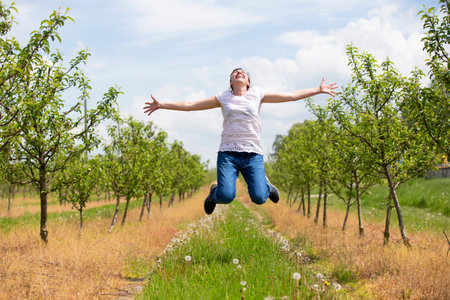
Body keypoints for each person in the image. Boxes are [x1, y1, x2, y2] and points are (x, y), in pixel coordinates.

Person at [143, 68, 337, 214]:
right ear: (231, 81)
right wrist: (162, 105)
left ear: (248, 82)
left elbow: (291, 96)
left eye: (243, 72)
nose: (239, 73)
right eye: (235, 72)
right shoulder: (223, 97)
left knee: (260, 198)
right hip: (228, 153)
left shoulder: (257, 94)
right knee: (226, 196)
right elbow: (190, 105)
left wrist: (318, 90)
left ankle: (267, 186)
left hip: (253, 153)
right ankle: (214, 192)